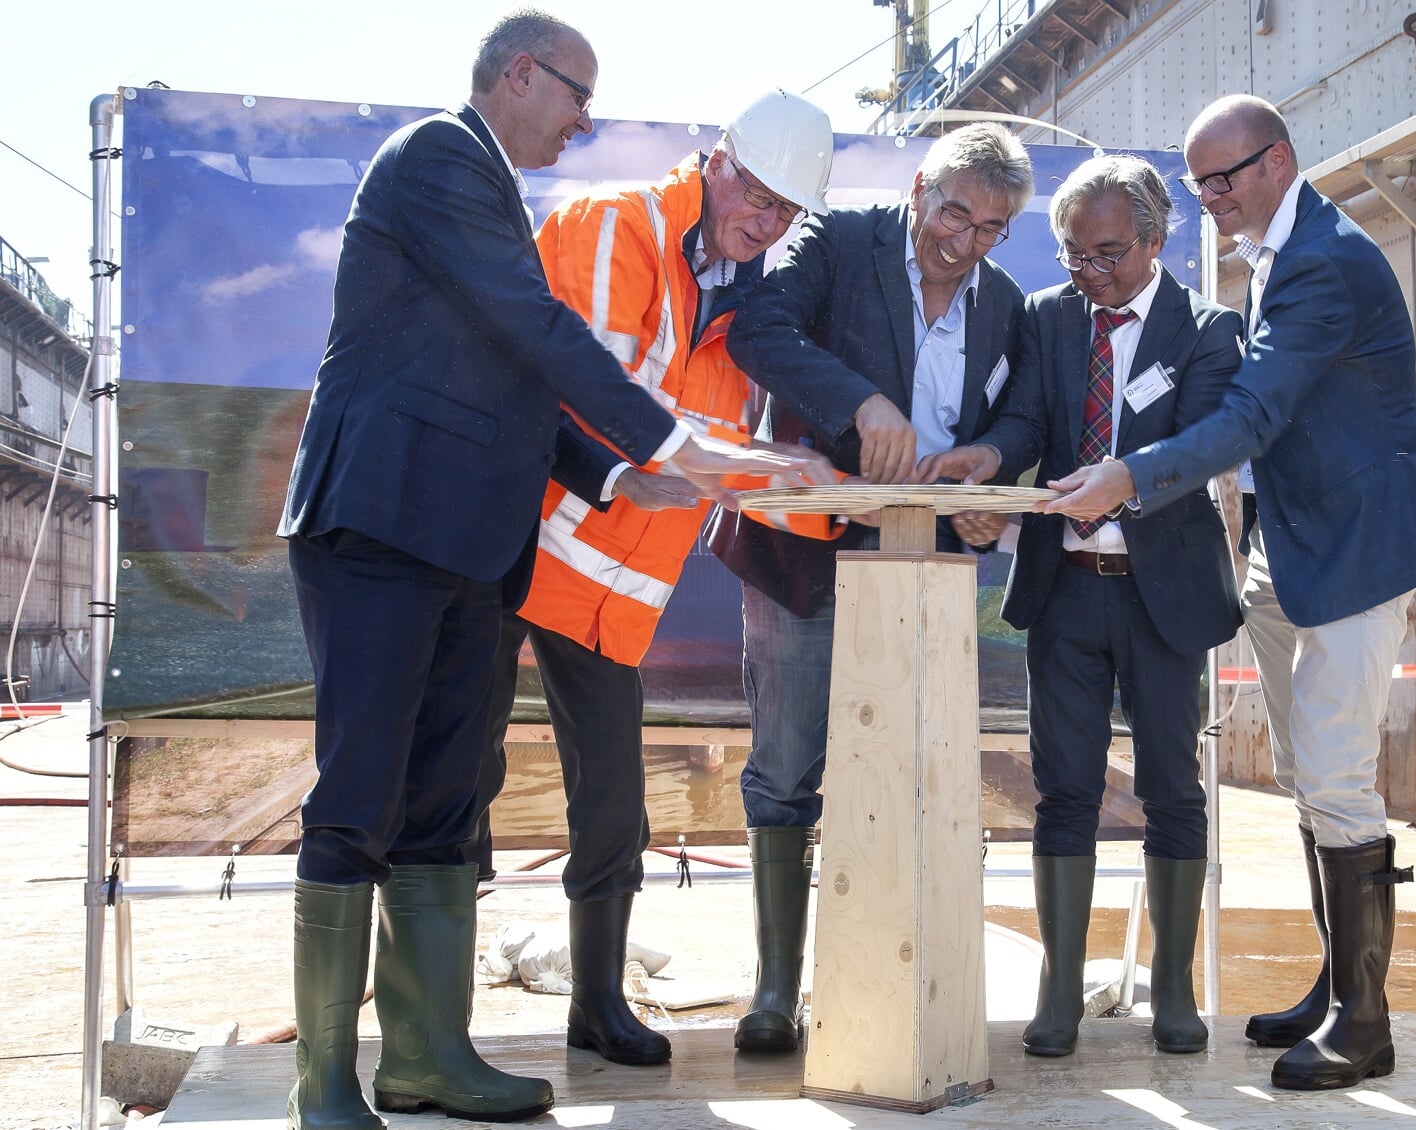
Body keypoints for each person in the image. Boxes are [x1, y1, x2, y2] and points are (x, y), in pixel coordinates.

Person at [274, 12, 799, 1126]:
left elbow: (516, 375)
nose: (585, 121)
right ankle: (320, 1080)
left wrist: (615, 480)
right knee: (356, 799)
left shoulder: (499, 197)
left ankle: (426, 1056)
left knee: (440, 803)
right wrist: (668, 442)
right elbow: (539, 328)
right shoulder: (436, 159)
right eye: (577, 96)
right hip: (380, 526)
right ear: (520, 73)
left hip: (472, 546)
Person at [1043, 95, 1416, 1090]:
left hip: (1357, 545)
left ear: (1278, 160)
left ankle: (1368, 1022)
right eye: (1202, 187)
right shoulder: (1280, 247)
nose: (1213, 200)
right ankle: (1335, 986)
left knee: (1337, 774)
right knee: (1302, 770)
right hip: (1293, 544)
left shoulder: (1322, 258)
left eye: (1225, 178)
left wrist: (1129, 475)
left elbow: (1256, 412)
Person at [466, 89, 840, 1070]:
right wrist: (763, 463)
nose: (763, 218)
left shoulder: (739, 303)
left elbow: (707, 450)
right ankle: (430, 1023)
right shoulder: (615, 223)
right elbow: (610, 398)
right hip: (504, 551)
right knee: (454, 780)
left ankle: (595, 1006)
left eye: (784, 209)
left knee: (612, 805)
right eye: (754, 189)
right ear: (717, 158)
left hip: (605, 594)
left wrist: (833, 493)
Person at [709, 122, 1034, 1054]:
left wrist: (992, 462)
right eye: (953, 212)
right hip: (802, 553)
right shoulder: (837, 241)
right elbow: (757, 332)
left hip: (924, 570)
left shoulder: (1005, 301)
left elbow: (1020, 414)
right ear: (920, 185)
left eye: (989, 228)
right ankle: (776, 992)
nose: (963, 241)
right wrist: (861, 400)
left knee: (912, 776)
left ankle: (889, 984)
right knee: (786, 768)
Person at [919, 155, 1243, 1057]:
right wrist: (991, 465)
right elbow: (1025, 420)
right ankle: (1060, 993)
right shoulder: (1047, 318)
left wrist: (1123, 488)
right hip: (1065, 595)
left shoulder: (1209, 330)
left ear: (1153, 240)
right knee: (1063, 792)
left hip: (1164, 598)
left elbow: (1203, 444)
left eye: (1106, 256)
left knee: (1174, 791)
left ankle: (1172, 993)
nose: (1088, 274)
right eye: (1072, 257)